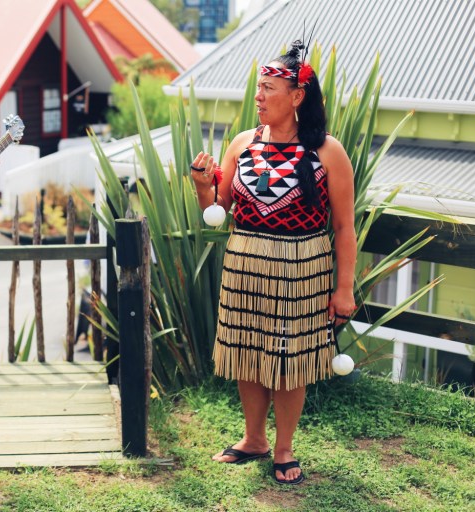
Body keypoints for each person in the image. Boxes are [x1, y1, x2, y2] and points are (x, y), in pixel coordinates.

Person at [190, 40, 357, 485]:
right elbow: (218, 210)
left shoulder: (327, 151)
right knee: (246, 352)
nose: (259, 96)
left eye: (268, 88)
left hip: (302, 266)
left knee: (289, 357)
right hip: (245, 260)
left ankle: (283, 447)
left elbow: (344, 227)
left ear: (298, 97)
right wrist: (203, 186)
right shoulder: (244, 144)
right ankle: (253, 439)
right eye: (258, 87)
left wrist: (344, 289)